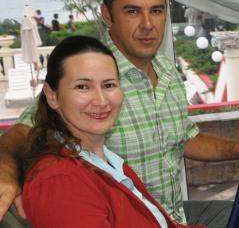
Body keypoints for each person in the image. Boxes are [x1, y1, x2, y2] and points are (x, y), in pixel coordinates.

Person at [0, 0, 238, 227]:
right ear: (107, 14)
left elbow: (182, 138)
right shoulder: (86, 70)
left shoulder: (167, 72)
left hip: (169, 215)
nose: (148, 24)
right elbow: (20, 136)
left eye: (157, 11)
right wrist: (6, 172)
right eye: (133, 11)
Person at [21, 35, 204, 228]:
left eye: (109, 85)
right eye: (83, 86)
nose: (101, 101)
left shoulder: (107, 162)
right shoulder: (59, 181)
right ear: (52, 96)